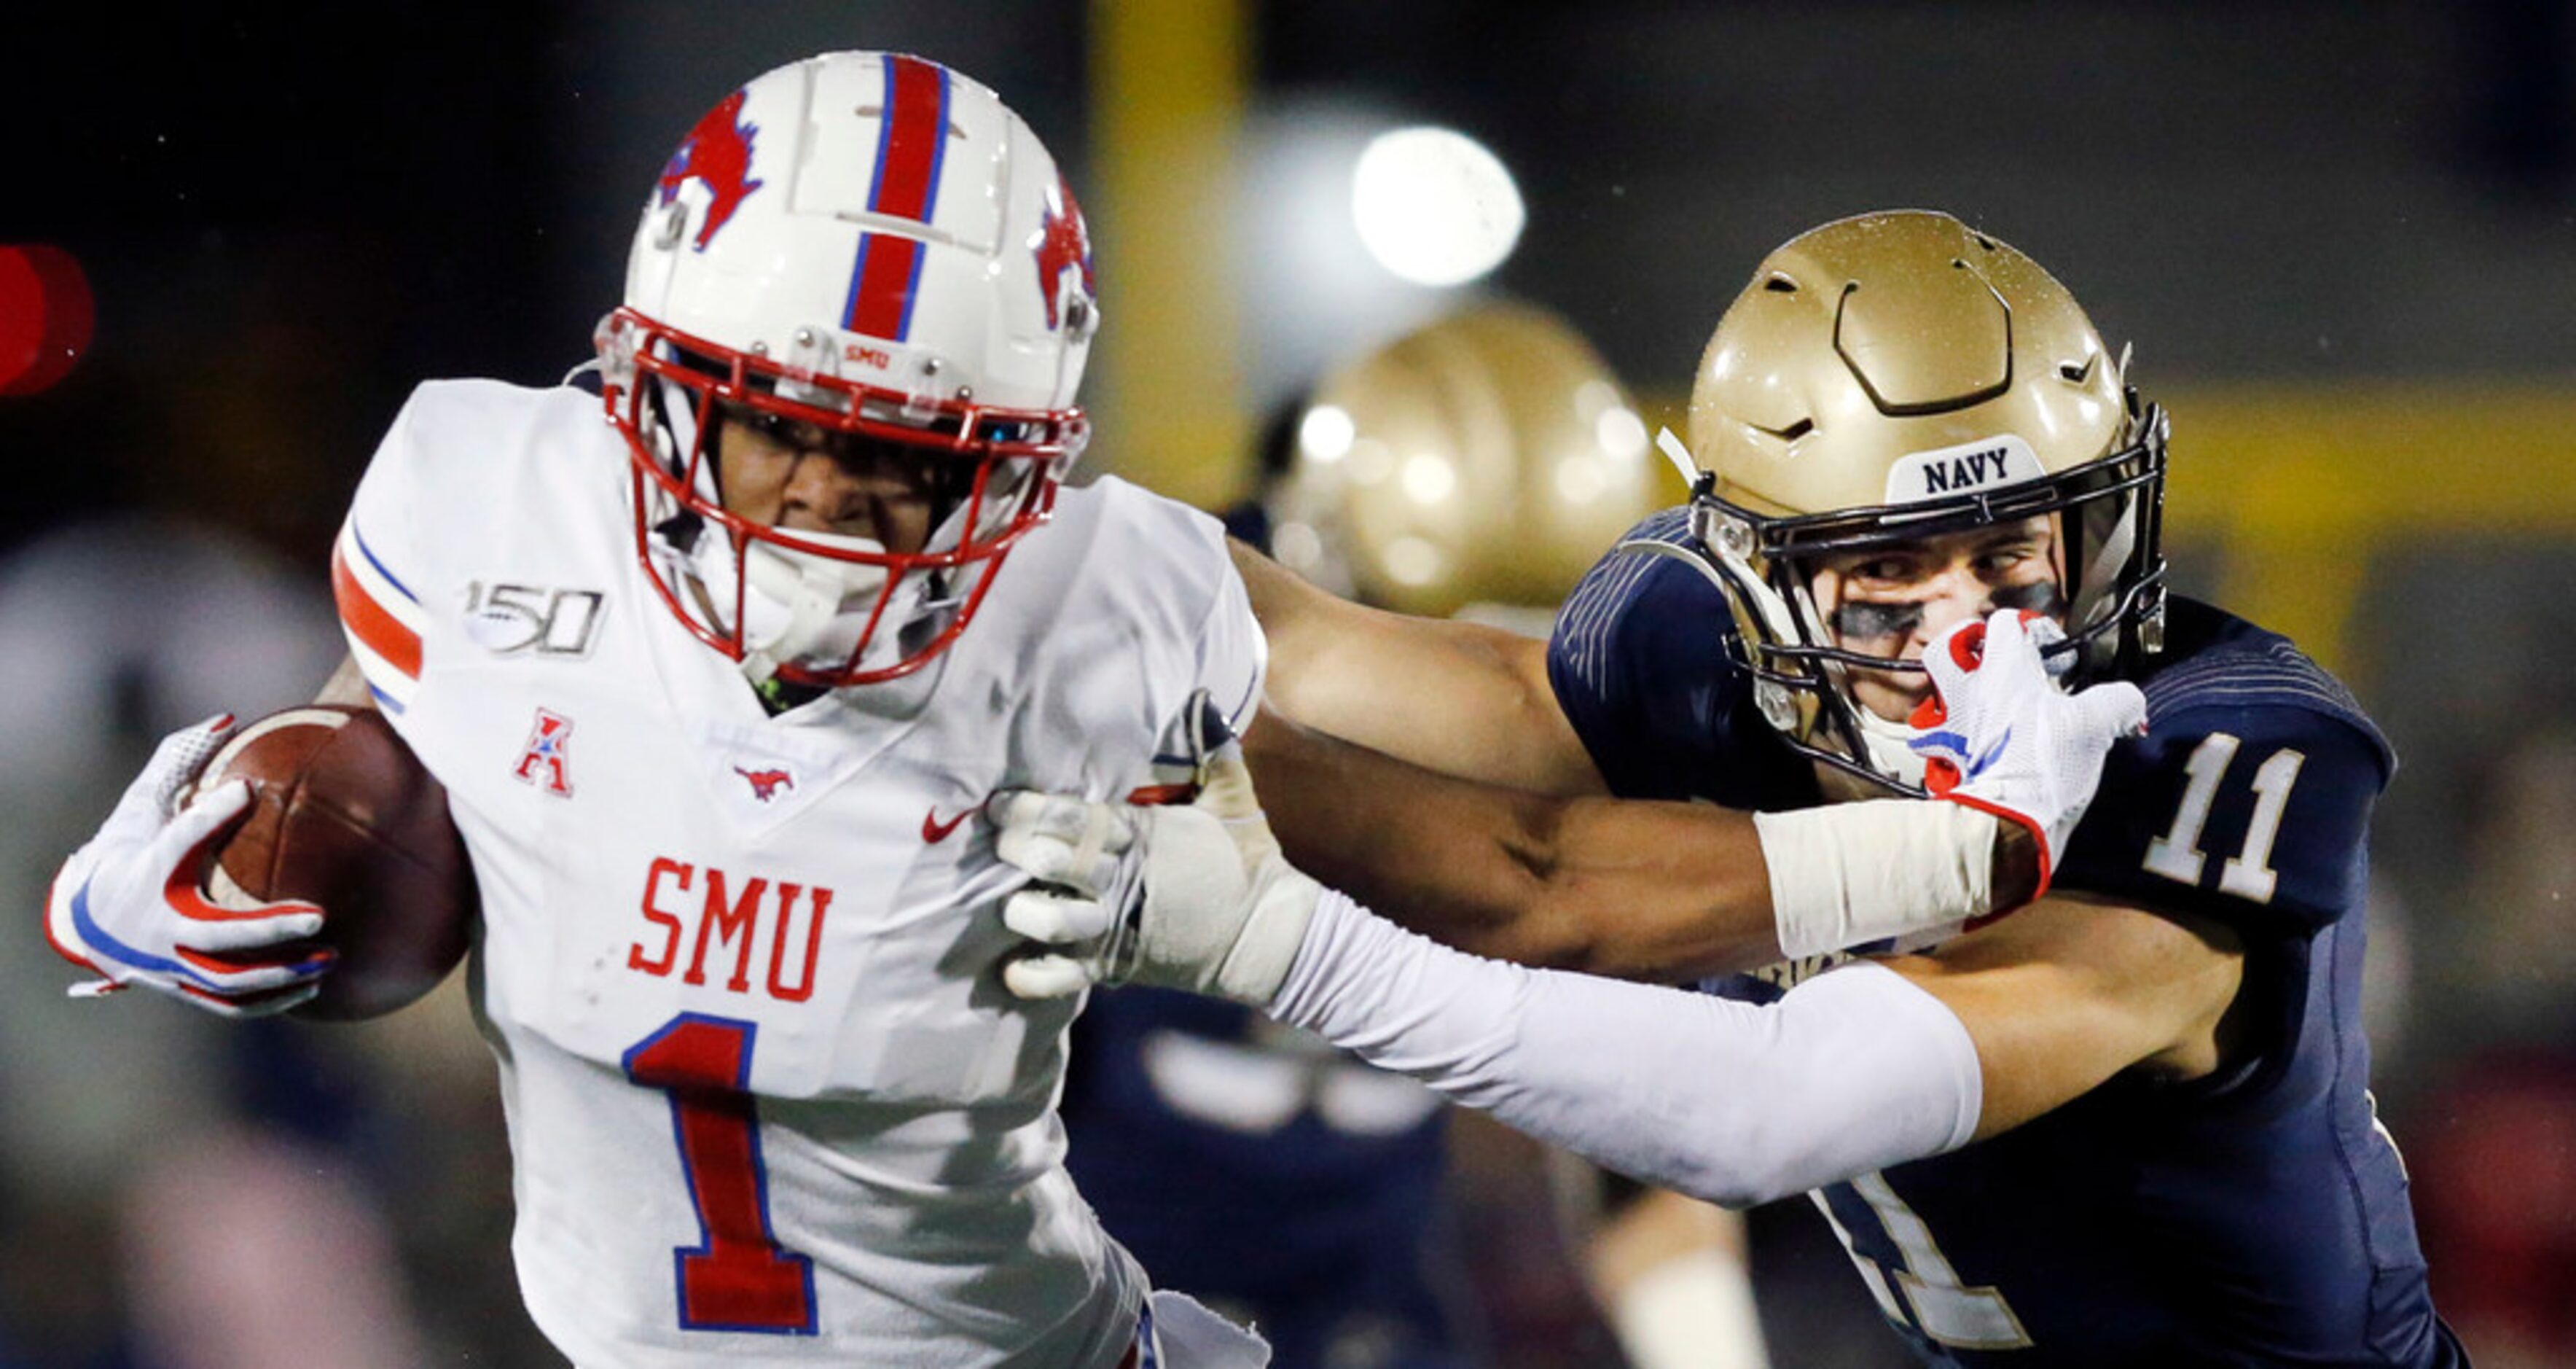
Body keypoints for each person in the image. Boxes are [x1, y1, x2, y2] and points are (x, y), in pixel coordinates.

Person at [37, 57, 2121, 1366]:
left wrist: (1914, 788)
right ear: (654, 389)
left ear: (1025, 462)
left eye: (916, 460)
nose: (847, 503)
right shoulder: (476, 504)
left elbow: (1523, 818)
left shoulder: (1094, 608)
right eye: (784, 436)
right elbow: (386, 738)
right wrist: (226, 828)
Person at [991, 211, 2471, 1367]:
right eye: (1888, 570)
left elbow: (1766, 1105)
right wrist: (971, 514)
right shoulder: (1732, 677)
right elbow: (1404, 730)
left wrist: (1272, 938)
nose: (1966, 631)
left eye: (2016, 547)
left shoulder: (2208, 756)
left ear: (2106, 525)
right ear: (1762, 582)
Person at [1060, 300, 1765, 1369]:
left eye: (1538, 677)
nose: (1493, 725)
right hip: (1074, 1283)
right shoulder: (1120, 665)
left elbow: (1645, 1146)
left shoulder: (1620, 713)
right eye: (1448, 663)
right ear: (1313, 579)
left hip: (1363, 1307)